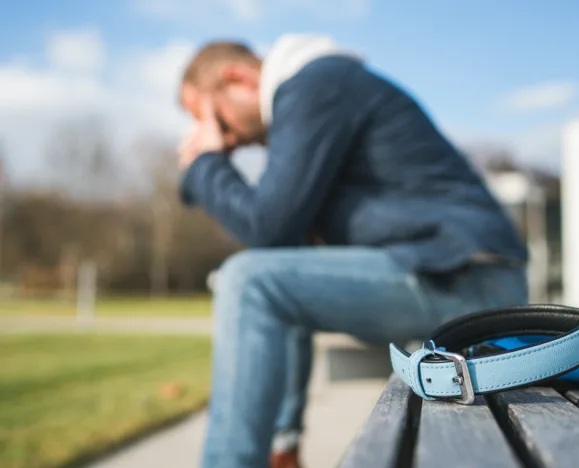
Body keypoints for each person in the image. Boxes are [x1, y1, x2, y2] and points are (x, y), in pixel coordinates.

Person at [177, 33, 529, 468]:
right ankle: (280, 451)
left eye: (218, 123)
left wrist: (205, 163)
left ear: (238, 79)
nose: (228, 142)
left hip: (469, 277)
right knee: (269, 276)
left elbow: (266, 226)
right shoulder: (317, 92)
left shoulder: (314, 84)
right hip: (447, 272)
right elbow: (282, 244)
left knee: (247, 280)